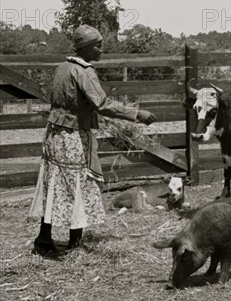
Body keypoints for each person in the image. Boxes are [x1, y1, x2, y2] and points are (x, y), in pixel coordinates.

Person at [29, 24, 156, 256]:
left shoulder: (63, 67)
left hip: (54, 135)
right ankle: (75, 243)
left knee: (54, 183)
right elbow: (102, 104)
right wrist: (136, 114)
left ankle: (44, 238)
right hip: (74, 137)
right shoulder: (84, 71)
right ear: (85, 48)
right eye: (98, 46)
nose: (101, 50)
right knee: (79, 184)